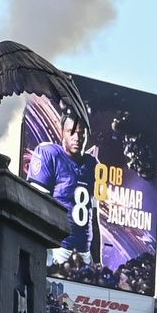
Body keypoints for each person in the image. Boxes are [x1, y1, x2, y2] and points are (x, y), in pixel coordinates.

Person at [27, 105, 102, 267]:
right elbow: (36, 207)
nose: (77, 137)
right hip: (58, 248)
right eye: (72, 132)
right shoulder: (49, 153)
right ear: (62, 132)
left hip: (84, 252)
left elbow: (93, 218)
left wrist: (97, 260)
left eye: (81, 134)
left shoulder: (92, 164)